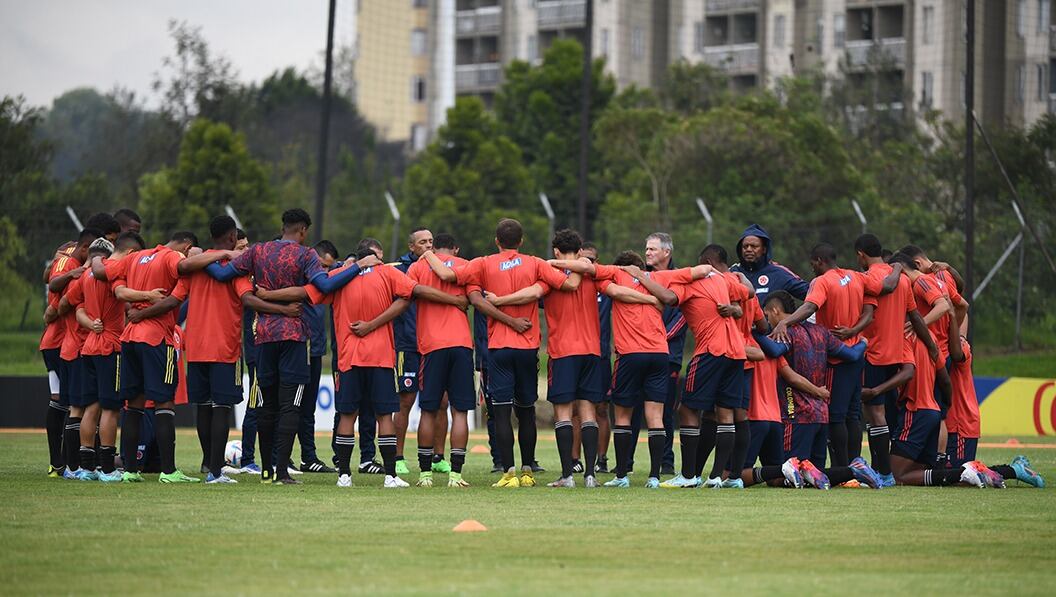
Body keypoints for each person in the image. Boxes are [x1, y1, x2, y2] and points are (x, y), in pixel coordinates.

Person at [259, 244, 466, 487]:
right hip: (381, 357)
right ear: (374, 258)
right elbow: (413, 293)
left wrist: (267, 295)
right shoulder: (387, 272)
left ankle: (344, 476)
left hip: (349, 358)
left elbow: (305, 292)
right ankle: (390, 476)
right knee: (384, 416)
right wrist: (454, 300)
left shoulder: (339, 276)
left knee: (347, 415)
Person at [205, 209, 371, 484]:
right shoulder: (305, 255)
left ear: (283, 227)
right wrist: (358, 266)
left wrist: (202, 256)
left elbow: (222, 275)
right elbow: (324, 285)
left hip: (263, 336)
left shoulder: (257, 251)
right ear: (303, 230)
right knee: (290, 405)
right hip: (294, 336)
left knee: (266, 405)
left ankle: (266, 470)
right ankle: (282, 472)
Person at [421, 218, 579, 488]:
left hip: (499, 349)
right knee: (526, 411)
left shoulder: (483, 263)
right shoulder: (535, 263)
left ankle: (509, 473)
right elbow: (571, 284)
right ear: (521, 241)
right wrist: (578, 262)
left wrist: (427, 254)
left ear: (496, 241)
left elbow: (447, 276)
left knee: (502, 413)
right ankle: (528, 471)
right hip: (527, 347)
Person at [487, 230, 628, 488]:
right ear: (580, 250)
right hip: (592, 352)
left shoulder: (551, 276)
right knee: (588, 412)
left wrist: (499, 300)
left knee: (563, 413)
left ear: (555, 251)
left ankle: (567, 476)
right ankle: (590, 475)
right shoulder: (591, 275)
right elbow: (618, 291)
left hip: (563, 352)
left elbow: (530, 293)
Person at [559, 251, 711, 488]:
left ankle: (622, 476)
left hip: (630, 354)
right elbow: (703, 270)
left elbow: (586, 268)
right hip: (660, 353)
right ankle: (654, 477)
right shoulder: (660, 277)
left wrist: (551, 262)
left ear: (620, 267)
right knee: (655, 417)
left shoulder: (616, 273)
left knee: (623, 416)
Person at [91, 230, 225, 482]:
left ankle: (130, 470)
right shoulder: (172, 258)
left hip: (129, 338)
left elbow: (100, 271)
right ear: (186, 247)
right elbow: (174, 297)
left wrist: (95, 256)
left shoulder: (135, 257)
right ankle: (169, 471)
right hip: (156, 338)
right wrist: (223, 253)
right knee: (164, 404)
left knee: (134, 405)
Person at [184, 216, 301, 484]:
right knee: (221, 407)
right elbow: (248, 299)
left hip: (196, 345)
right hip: (223, 346)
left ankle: (207, 463)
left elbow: (180, 296)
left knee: (203, 406)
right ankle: (216, 472)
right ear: (232, 238)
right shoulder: (234, 268)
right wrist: (283, 309)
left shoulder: (197, 264)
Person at [761, 291, 882, 489]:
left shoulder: (785, 333)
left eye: (767, 316)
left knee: (787, 472)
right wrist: (862, 343)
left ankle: (853, 470)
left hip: (796, 413)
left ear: (775, 310)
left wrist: (754, 333)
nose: (767, 322)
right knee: (815, 475)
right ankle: (854, 469)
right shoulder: (821, 332)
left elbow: (774, 350)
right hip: (821, 413)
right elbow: (852, 355)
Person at [770, 243, 874, 473]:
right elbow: (882, 290)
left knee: (836, 417)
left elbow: (809, 307)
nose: (812, 269)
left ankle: (843, 471)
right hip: (855, 354)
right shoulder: (856, 276)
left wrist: (785, 322)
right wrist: (860, 336)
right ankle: (855, 464)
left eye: (813, 264)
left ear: (819, 261)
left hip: (836, 358)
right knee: (853, 415)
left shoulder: (822, 282)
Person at [664, 249, 753, 489]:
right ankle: (717, 477)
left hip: (711, 351)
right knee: (726, 413)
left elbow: (668, 298)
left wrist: (642, 278)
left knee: (687, 409)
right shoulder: (725, 280)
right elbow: (750, 292)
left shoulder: (690, 282)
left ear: (705, 263)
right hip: (737, 353)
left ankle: (688, 475)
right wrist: (742, 277)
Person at [854, 234, 935, 487]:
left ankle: (884, 473)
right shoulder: (903, 280)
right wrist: (932, 346)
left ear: (861, 255)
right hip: (896, 354)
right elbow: (916, 316)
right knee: (881, 415)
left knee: (874, 415)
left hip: (874, 353)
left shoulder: (868, 278)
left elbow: (868, 313)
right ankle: (880, 470)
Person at [74, 232, 145, 482]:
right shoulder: (111, 272)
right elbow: (123, 294)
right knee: (111, 409)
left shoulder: (85, 275)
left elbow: (77, 307)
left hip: (89, 347)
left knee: (91, 407)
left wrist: (89, 323)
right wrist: (149, 296)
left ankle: (87, 468)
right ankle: (107, 468)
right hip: (110, 347)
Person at [406, 233, 476, 487]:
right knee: (460, 412)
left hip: (432, 346)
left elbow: (409, 292)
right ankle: (456, 475)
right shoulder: (466, 266)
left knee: (428, 410)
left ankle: (425, 475)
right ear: (455, 249)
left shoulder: (417, 267)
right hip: (461, 344)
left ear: (433, 248)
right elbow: (472, 299)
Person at [40, 228, 99, 476]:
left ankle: (64, 463)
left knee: (68, 402)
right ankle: (65, 463)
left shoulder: (68, 254)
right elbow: (53, 285)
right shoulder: (71, 260)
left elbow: (48, 276)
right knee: (72, 403)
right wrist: (54, 308)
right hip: (61, 342)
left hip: (62, 342)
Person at [393, 228, 451, 475]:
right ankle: (397, 458)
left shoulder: (442, 268)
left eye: (431, 241)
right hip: (408, 345)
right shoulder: (399, 270)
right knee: (405, 401)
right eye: (422, 242)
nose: (428, 245)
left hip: (436, 345)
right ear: (411, 247)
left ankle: (438, 457)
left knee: (442, 402)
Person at [631, 232, 684, 475]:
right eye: (647, 248)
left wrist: (655, 338)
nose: (648, 253)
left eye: (652, 249)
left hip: (668, 358)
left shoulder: (679, 278)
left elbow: (682, 318)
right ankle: (625, 464)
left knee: (665, 413)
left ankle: (666, 463)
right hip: (638, 353)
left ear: (666, 252)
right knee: (631, 408)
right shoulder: (641, 277)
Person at [290, 239, 340, 474]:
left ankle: (308, 458)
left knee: (308, 407)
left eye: (329, 267)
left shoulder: (326, 279)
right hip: (300, 346)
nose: (324, 271)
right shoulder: (300, 275)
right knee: (292, 405)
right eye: (322, 265)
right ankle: (281, 458)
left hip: (316, 349)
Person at [570, 242, 612, 474]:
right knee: (575, 409)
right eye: (582, 259)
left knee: (601, 409)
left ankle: (601, 460)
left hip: (600, 355)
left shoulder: (604, 284)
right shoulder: (568, 282)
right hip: (572, 353)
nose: (586, 264)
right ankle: (574, 459)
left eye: (591, 260)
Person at [730, 224, 810, 305]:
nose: (749, 249)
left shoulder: (779, 273)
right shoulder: (732, 273)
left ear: (764, 249)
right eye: (745, 246)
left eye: (754, 246)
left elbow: (810, 293)